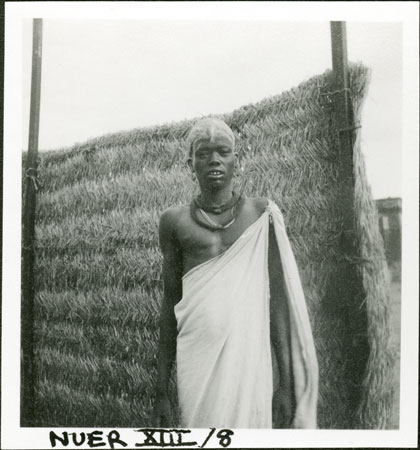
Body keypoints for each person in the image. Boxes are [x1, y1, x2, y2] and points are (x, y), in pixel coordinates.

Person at [152, 118, 318, 429]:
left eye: (223, 152)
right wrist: (161, 390)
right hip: (197, 359)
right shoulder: (173, 222)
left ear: (235, 161)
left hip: (250, 366)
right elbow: (169, 305)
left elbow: (279, 302)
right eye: (203, 153)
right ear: (190, 164)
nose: (214, 160)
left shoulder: (261, 215)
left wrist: (284, 383)